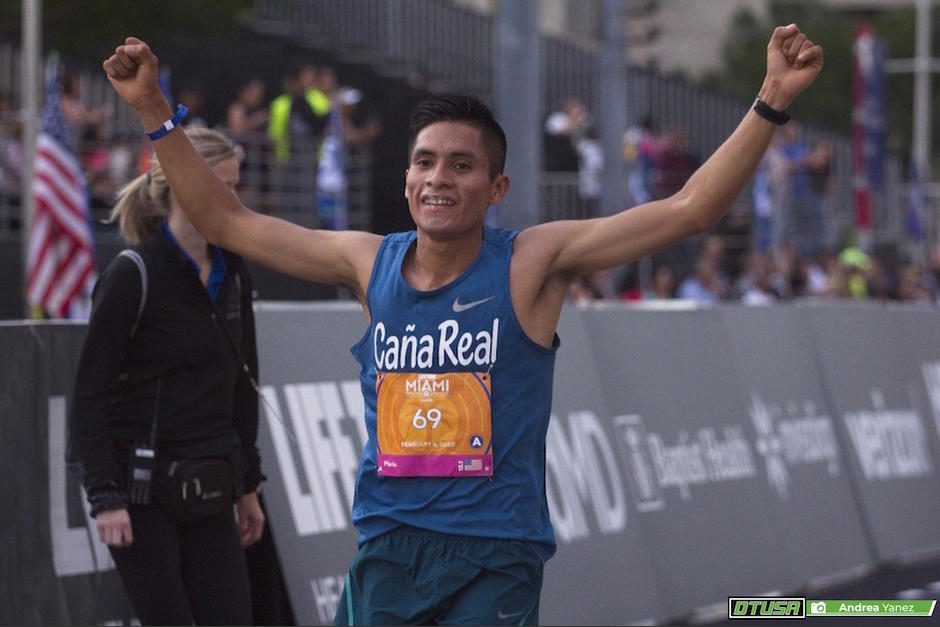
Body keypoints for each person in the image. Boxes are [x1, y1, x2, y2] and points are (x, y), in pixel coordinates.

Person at [102, 24, 822, 625]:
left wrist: (771, 101)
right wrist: (152, 110)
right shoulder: (366, 262)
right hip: (387, 548)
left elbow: (688, 209)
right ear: (407, 179)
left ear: (496, 187)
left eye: (460, 164)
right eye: (424, 162)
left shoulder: (534, 262)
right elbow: (226, 217)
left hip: (492, 558)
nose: (438, 177)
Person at [70, 126, 265, 625]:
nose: (233, 199)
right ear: (179, 185)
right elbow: (89, 395)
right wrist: (105, 497)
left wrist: (248, 486)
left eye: (236, 185)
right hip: (142, 497)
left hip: (212, 487)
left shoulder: (235, 273)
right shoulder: (132, 273)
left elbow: (244, 386)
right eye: (221, 185)